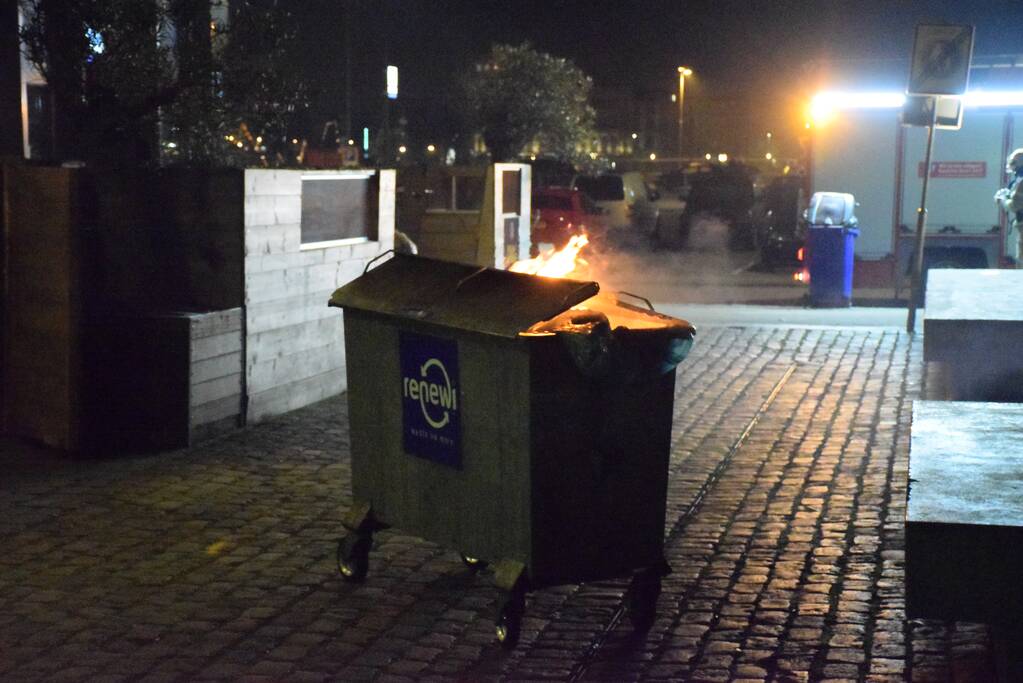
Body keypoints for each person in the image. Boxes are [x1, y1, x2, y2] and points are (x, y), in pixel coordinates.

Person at [994, 148, 1023, 267]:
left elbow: (1015, 205)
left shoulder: (1021, 180)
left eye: (1014, 163)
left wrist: (1002, 200)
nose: (1012, 166)